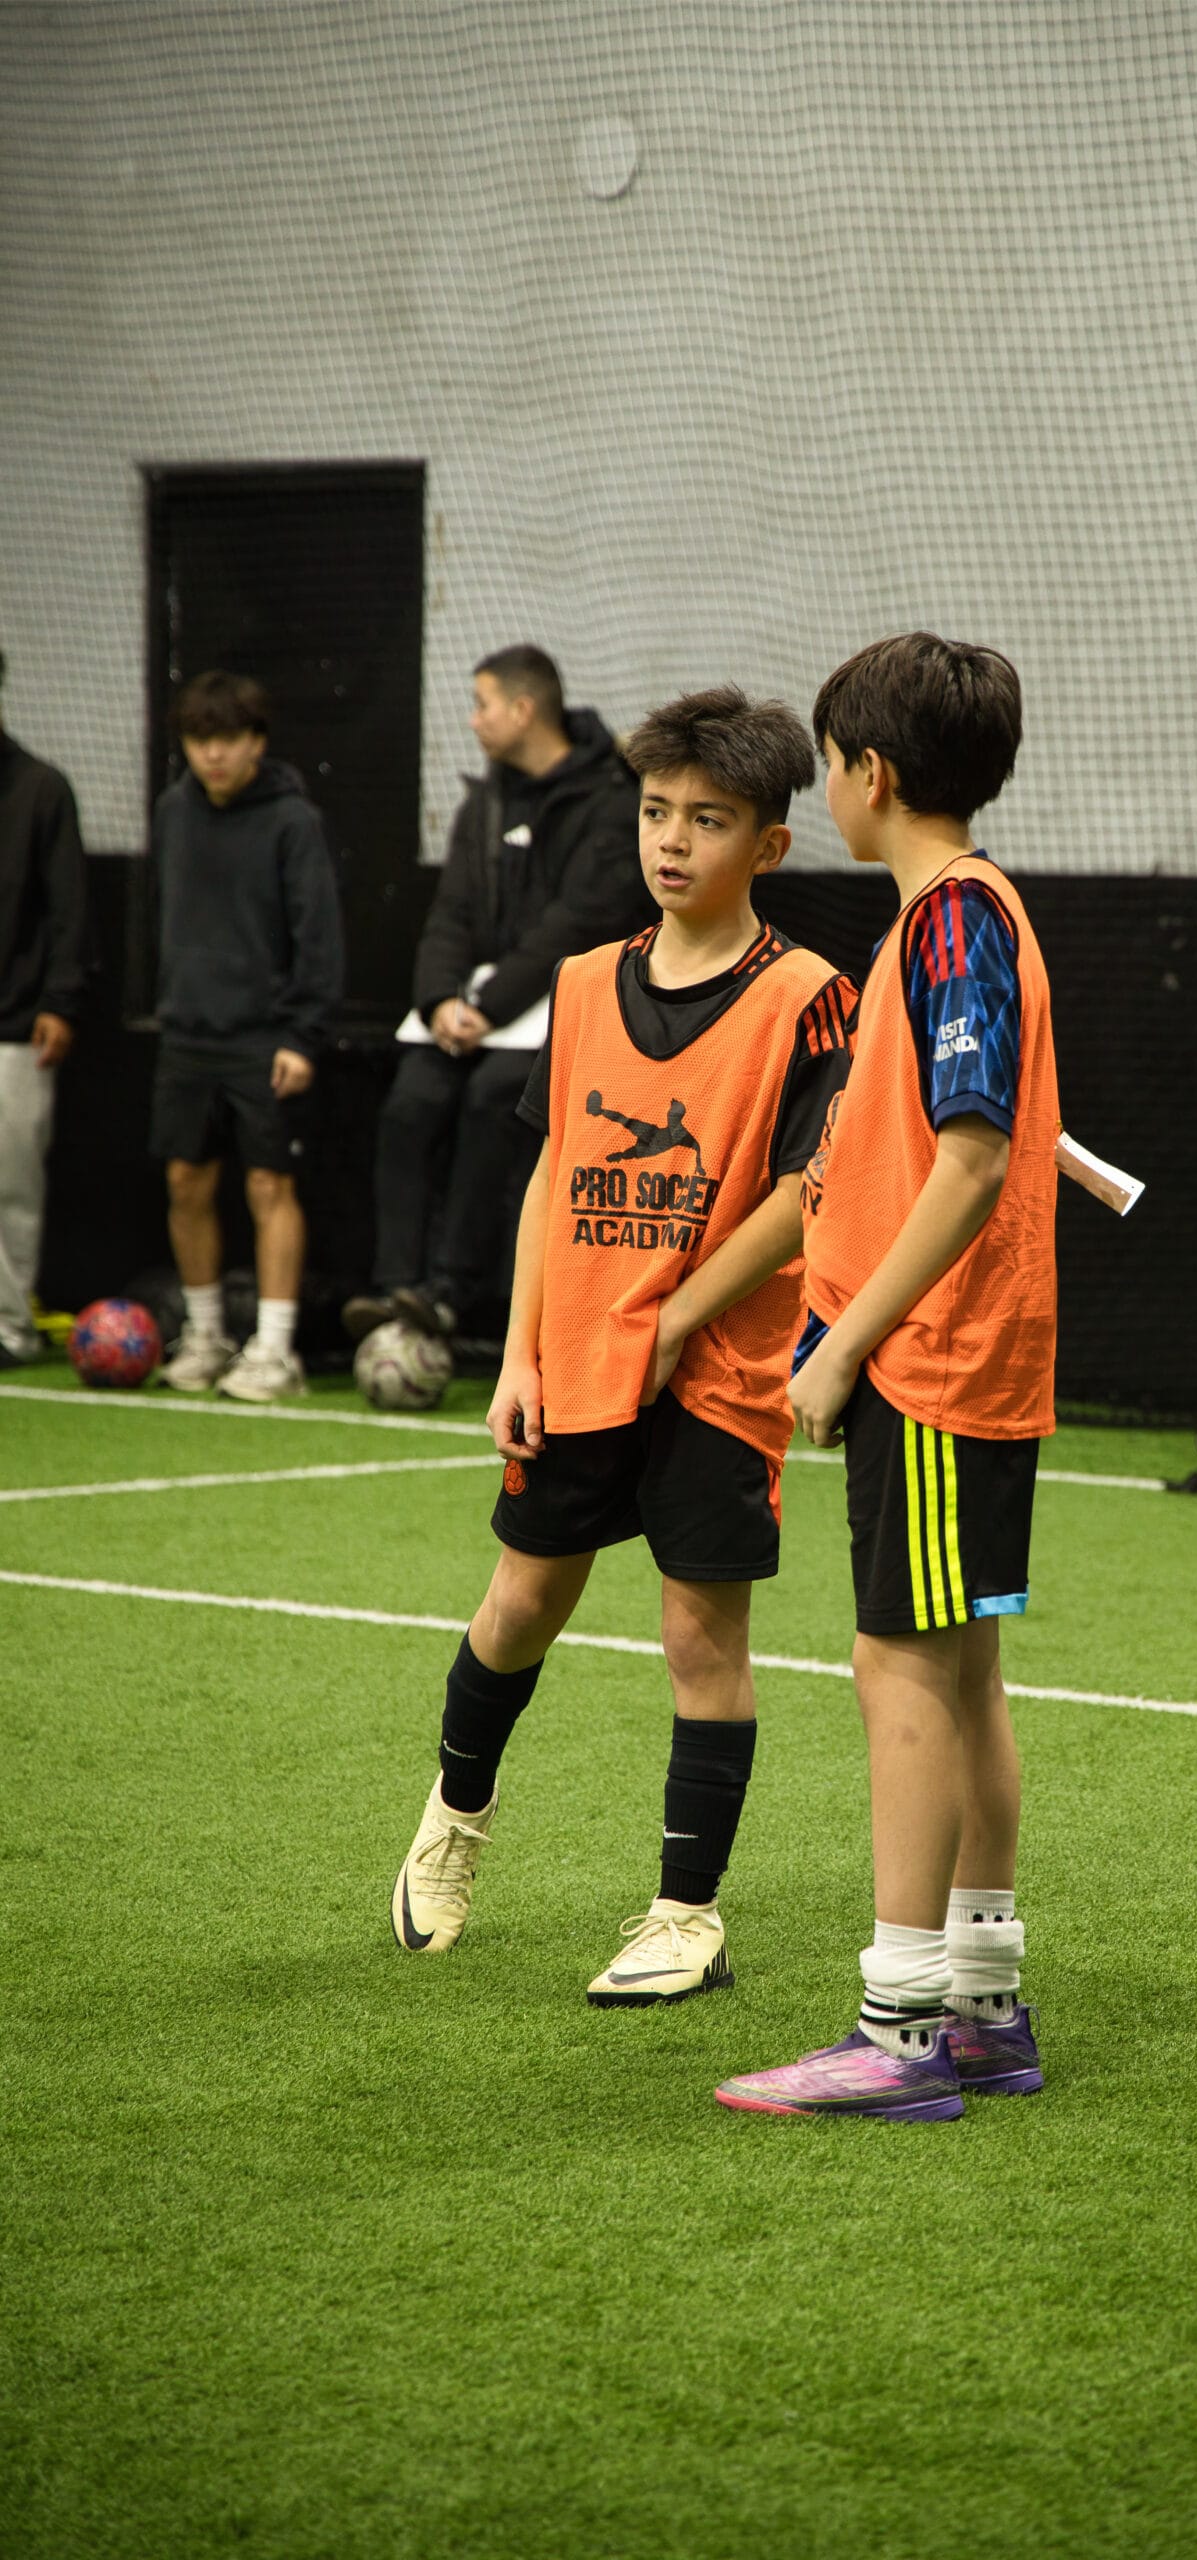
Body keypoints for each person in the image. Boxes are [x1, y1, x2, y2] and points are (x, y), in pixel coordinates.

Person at [388, 686, 859, 2005]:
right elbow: (553, 1168)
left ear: (767, 844)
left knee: (701, 1641)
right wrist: (521, 1355)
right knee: (519, 1606)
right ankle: (452, 1824)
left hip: (716, 1374)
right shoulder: (586, 980)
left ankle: (682, 1915)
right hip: (578, 1356)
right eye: (656, 813)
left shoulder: (811, 997)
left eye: (707, 821)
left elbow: (802, 1193)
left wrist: (683, 1317)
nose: (672, 841)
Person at [713, 632, 1056, 2126]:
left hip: (928, 1366)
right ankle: (981, 2006)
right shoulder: (953, 924)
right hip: (959, 1361)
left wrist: (847, 1341)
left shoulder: (947, 927)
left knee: (900, 1671)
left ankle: (898, 2030)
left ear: (870, 774)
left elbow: (970, 1156)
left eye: (832, 758)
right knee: (960, 1670)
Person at [343, 646, 647, 1347]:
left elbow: (579, 922)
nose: (474, 721)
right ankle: (394, 1293)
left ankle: (448, 1294)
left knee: (494, 1100)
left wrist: (491, 1007)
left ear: (523, 709)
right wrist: (439, 1004)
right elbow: (449, 914)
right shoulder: (483, 802)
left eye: (482, 705)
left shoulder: (610, 802)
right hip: (472, 1013)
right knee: (410, 1101)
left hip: (559, 1009)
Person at [151, 671, 344, 1402]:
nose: (214, 755)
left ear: (256, 742)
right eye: (201, 741)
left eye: (228, 739)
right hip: (187, 1035)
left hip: (266, 1039)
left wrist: (301, 1035)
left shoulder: (293, 822)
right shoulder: (173, 812)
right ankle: (205, 1336)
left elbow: (318, 938)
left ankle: (273, 1349)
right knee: (185, 1181)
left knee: (270, 1185)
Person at [0, 652, 88, 1367]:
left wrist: (59, 999)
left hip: (16, 1026)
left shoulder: (39, 789)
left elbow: (69, 910)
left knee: (10, 1185)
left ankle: (8, 1326)